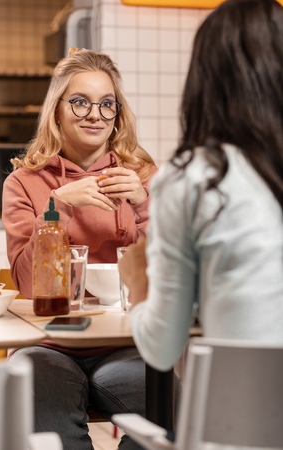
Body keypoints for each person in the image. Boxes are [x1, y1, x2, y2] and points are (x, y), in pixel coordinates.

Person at [2, 47, 158, 450]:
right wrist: (59, 206)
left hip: (125, 345)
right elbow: (27, 283)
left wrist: (144, 205)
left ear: (117, 114)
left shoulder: (142, 176)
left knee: (166, 419)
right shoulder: (23, 183)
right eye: (80, 102)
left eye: (108, 104)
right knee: (47, 426)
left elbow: (166, 276)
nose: (95, 115)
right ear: (57, 110)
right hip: (48, 344)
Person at [118, 0, 283, 374]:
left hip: (236, 425)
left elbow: (161, 347)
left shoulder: (192, 177)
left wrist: (138, 281)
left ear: (203, 79)